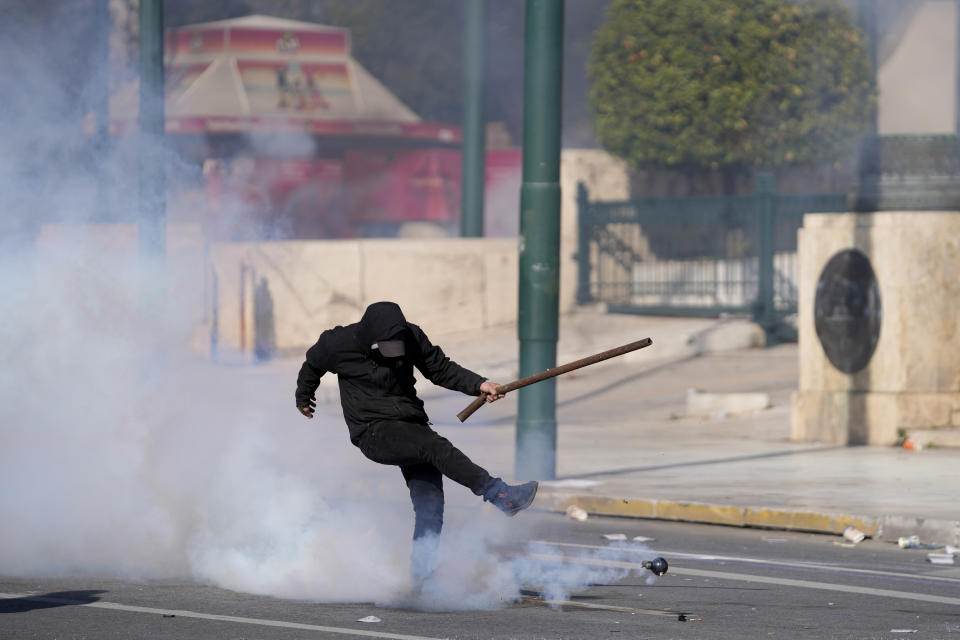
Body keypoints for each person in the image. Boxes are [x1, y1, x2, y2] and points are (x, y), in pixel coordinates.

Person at [294, 301, 538, 582]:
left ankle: (421, 579)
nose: (394, 352)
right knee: (434, 446)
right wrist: (304, 397)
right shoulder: (336, 343)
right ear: (369, 338)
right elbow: (311, 365)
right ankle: (501, 495)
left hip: (411, 426)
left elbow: (440, 369)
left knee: (431, 503)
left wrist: (479, 384)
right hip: (373, 431)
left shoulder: (410, 335)